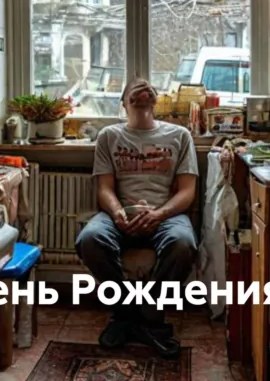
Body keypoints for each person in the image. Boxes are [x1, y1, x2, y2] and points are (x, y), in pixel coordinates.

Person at [75, 79, 198, 358]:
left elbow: (187, 191)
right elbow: (104, 188)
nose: (142, 87)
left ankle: (150, 315)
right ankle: (125, 310)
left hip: (165, 213)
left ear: (156, 101)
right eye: (135, 88)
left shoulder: (180, 135)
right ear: (124, 103)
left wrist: (159, 214)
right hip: (120, 213)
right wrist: (117, 212)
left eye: (147, 88)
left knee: (183, 243)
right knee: (89, 239)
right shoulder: (109, 135)